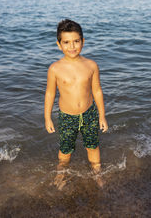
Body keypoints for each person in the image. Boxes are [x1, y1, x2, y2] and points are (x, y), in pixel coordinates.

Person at [44, 19, 108, 189]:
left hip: (89, 114)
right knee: (65, 151)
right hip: (67, 116)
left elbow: (97, 91)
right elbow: (50, 93)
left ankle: (97, 173)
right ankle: (62, 172)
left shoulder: (91, 65)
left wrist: (102, 115)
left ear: (83, 42)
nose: (72, 46)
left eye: (76, 41)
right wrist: (47, 118)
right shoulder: (55, 68)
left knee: (92, 146)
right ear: (59, 45)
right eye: (66, 42)